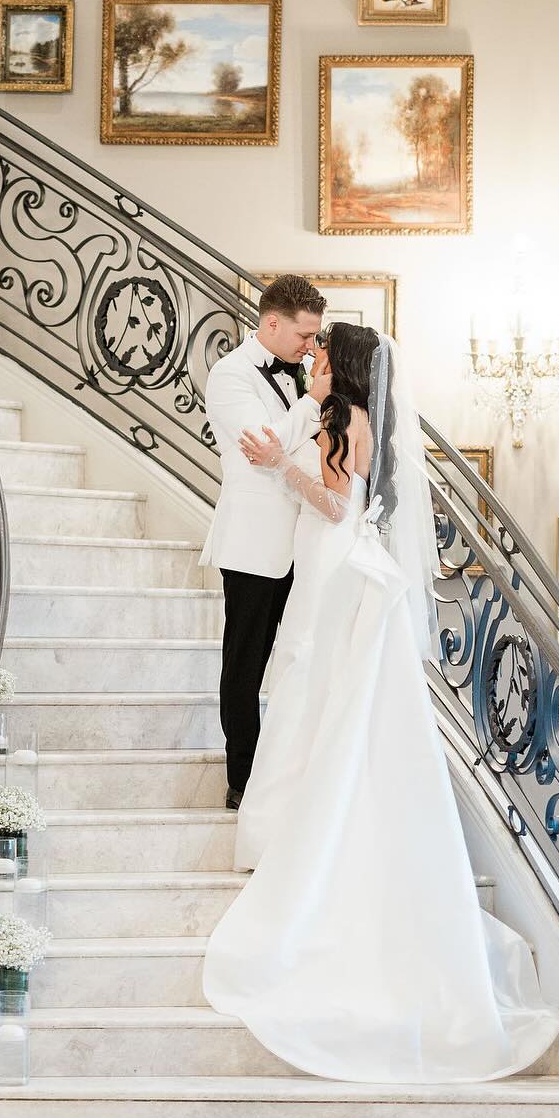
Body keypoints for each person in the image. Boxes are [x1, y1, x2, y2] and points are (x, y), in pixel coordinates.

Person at [202, 322, 559, 1082]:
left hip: (332, 557)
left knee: (306, 681)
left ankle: (290, 824)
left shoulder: (343, 422)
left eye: (323, 360)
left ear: (348, 370)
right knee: (306, 681)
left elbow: (337, 504)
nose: (313, 367)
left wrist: (278, 466)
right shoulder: (350, 418)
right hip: (328, 559)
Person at [200, 274, 327, 811]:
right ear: (271, 322)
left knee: (297, 660)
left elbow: (292, 453)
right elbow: (265, 445)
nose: (309, 347)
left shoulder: (295, 375)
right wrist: (315, 401)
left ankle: (285, 771)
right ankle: (242, 780)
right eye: (304, 335)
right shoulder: (230, 376)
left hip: (304, 539)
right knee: (245, 666)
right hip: (253, 544)